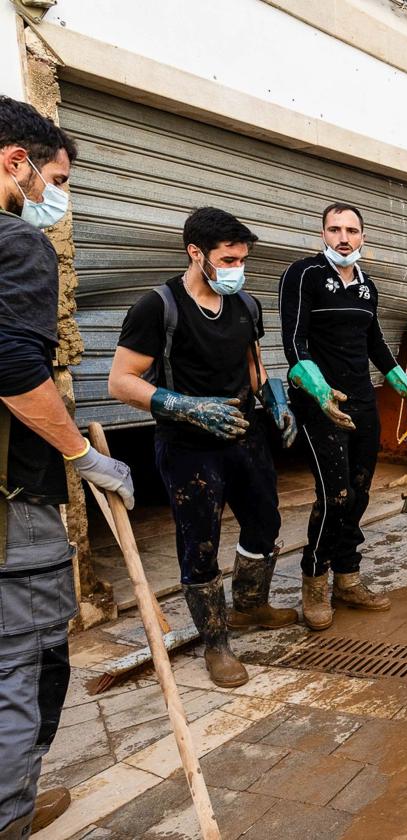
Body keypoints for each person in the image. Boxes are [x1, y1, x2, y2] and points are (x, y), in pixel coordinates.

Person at [0, 96, 135, 838]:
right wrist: (83, 456)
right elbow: (15, 365)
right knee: (25, 664)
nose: (55, 198)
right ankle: (10, 812)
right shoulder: (17, 245)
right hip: (11, 504)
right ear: (14, 162)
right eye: (53, 177)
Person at [110, 207, 298, 688]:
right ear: (196, 253)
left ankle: (250, 607)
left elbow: (254, 366)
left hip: (243, 433)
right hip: (189, 447)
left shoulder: (246, 305)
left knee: (265, 522)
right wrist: (187, 407)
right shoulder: (157, 307)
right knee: (200, 542)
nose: (238, 268)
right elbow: (121, 382)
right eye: (229, 258)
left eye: (243, 259)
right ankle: (215, 643)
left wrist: (276, 401)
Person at [279, 203, 407, 629]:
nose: (344, 237)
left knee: (359, 493)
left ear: (363, 236)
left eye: (352, 230)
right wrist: (320, 390)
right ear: (322, 233)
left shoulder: (367, 287)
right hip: (320, 402)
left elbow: (376, 343)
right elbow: (293, 341)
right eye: (335, 229)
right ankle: (314, 580)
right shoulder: (304, 275)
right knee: (334, 496)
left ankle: (347, 577)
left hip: (362, 400)